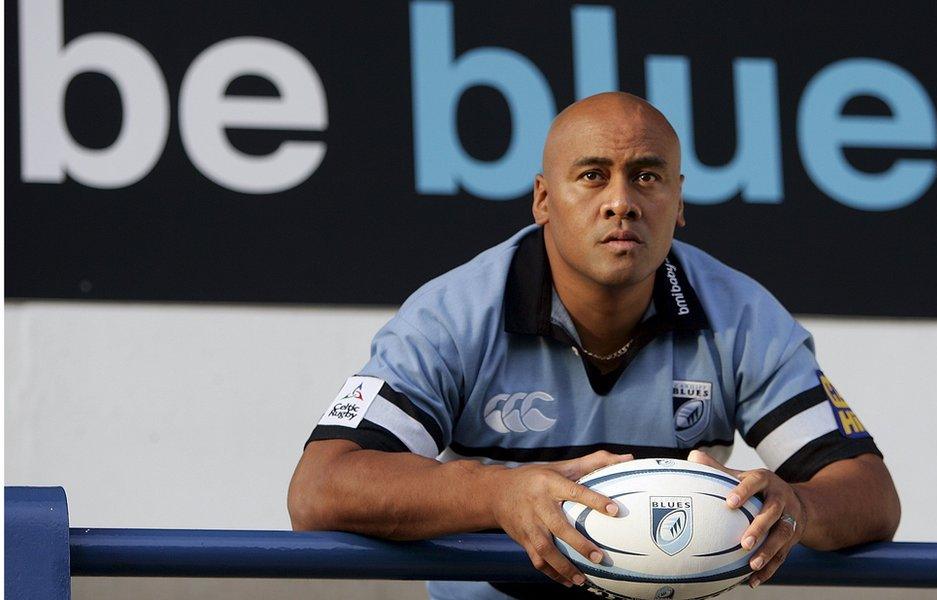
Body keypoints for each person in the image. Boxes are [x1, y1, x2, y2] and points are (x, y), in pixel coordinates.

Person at [287, 92, 900, 599]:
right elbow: (321, 487)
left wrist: (796, 508)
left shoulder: (740, 314)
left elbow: (870, 492)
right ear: (543, 199)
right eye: (592, 176)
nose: (621, 202)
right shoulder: (454, 314)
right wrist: (499, 493)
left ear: (679, 201)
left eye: (647, 176)